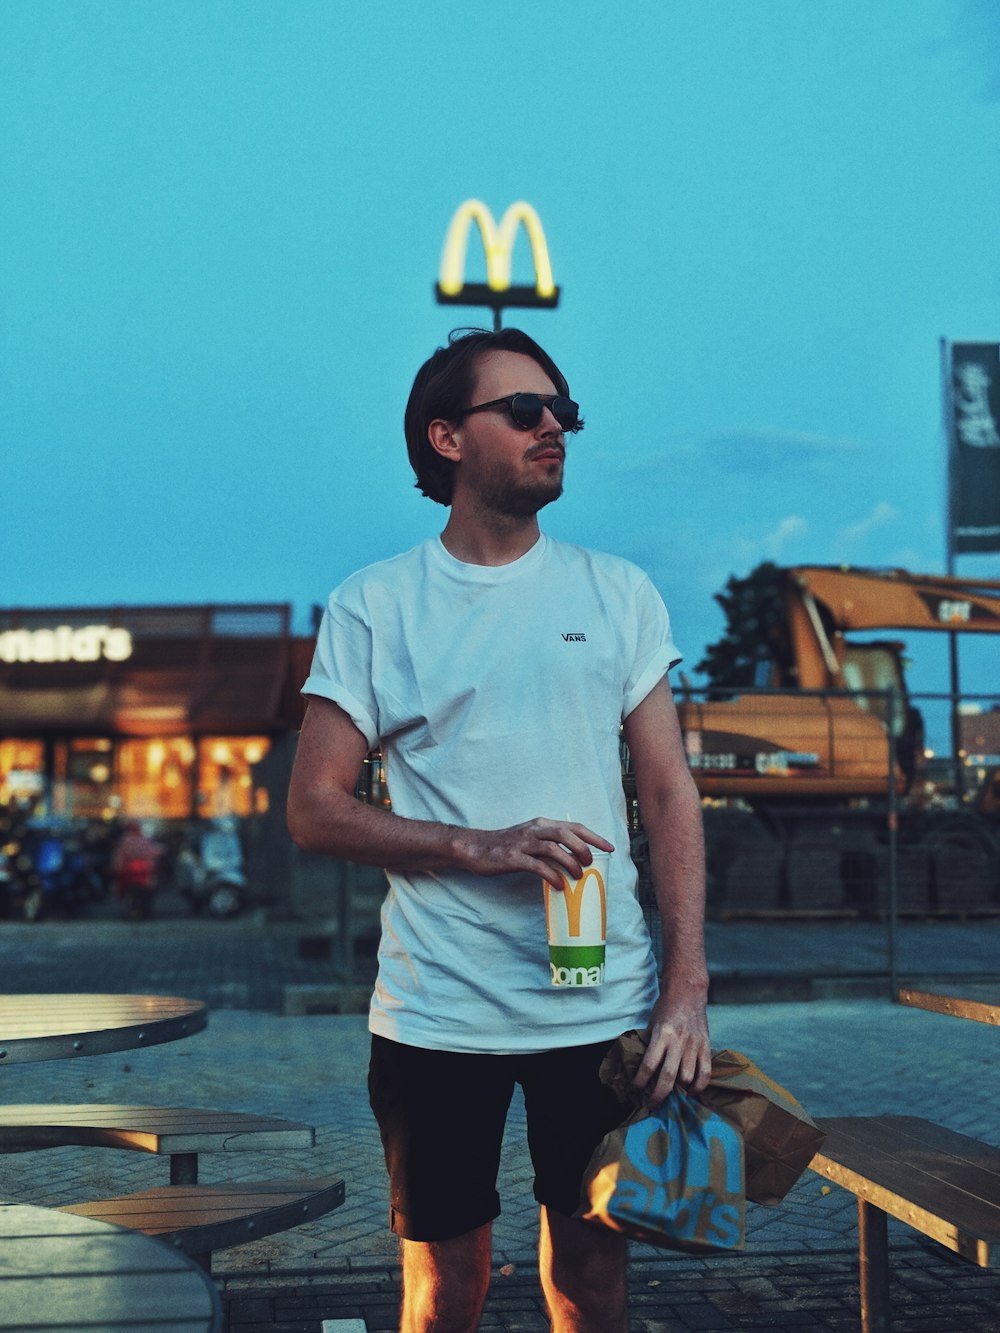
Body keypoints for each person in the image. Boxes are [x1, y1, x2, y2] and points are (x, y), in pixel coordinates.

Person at [287, 327, 710, 1332]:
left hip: (602, 1010)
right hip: (440, 1012)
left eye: (563, 410)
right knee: (444, 1294)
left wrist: (686, 988)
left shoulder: (616, 593)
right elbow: (314, 807)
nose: (552, 426)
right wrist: (475, 844)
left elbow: (668, 791)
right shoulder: (377, 604)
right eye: (523, 411)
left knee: (591, 1284)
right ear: (445, 435)